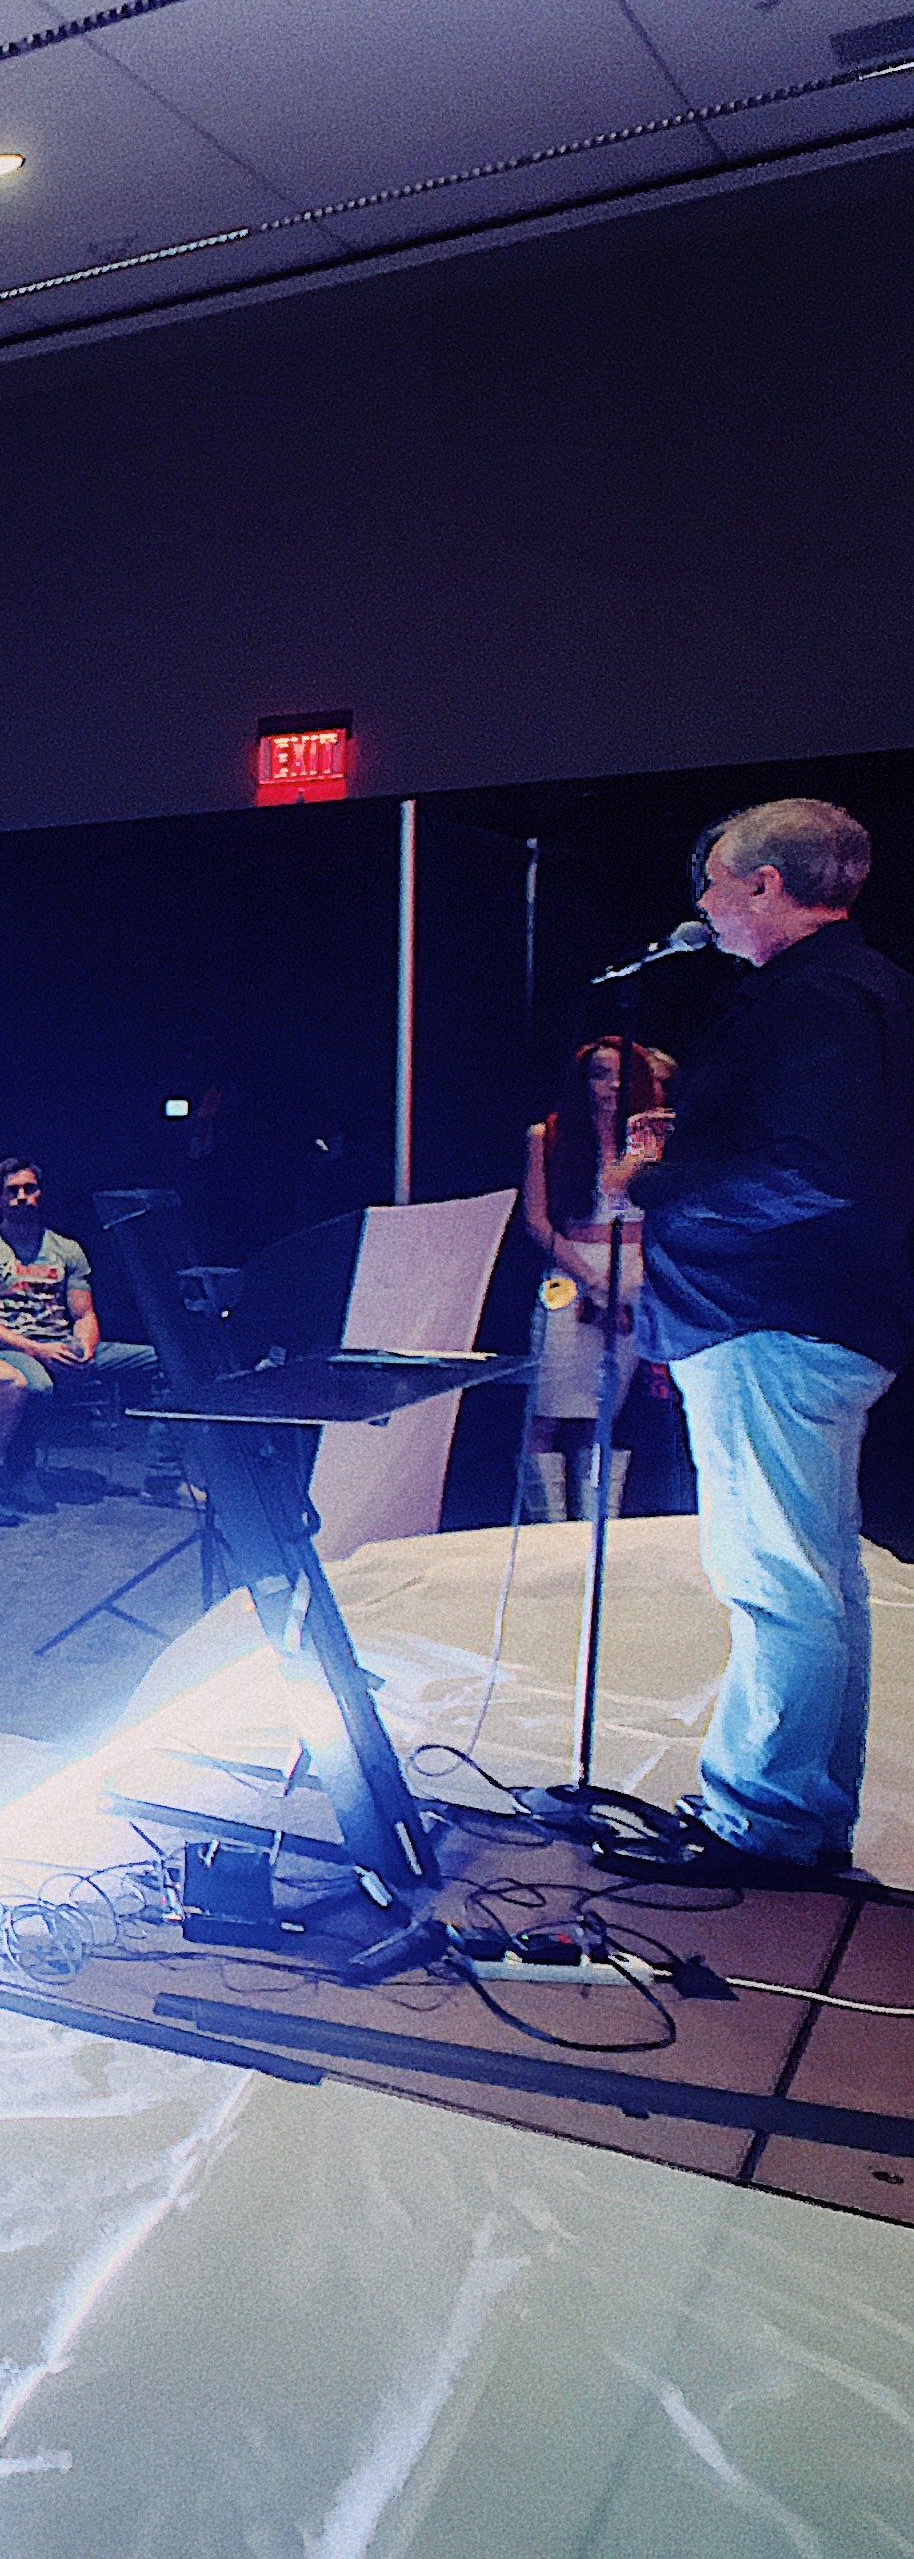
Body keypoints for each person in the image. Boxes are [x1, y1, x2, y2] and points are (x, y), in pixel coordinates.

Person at [615, 798, 914, 1871]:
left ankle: (762, 1821)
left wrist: (657, 1182)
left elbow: (821, 1172)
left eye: (713, 882)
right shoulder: (858, 989)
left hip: (767, 1319)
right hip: (810, 1317)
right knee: (817, 1580)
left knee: (777, 1583)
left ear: (764, 886)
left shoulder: (815, 997)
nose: (700, 903)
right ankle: (801, 1812)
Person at [520, 1035, 672, 1523]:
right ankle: (549, 1527)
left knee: (605, 1412)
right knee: (548, 1407)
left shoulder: (652, 1138)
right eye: (599, 1074)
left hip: (635, 1270)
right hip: (571, 1273)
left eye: (621, 1074)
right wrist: (590, 1278)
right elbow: (537, 1223)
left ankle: (595, 1527)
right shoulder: (550, 1135)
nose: (610, 1085)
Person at [0, 1158, 156, 1517]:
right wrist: (39, 1350)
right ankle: (20, 1470)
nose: (22, 1197)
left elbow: (84, 1313)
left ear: (40, 1193)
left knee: (162, 1360)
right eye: (12, 1192)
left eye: (29, 1189)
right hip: (11, 1347)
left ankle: (163, 1477)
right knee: (36, 1385)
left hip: (62, 1342)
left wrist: (85, 1348)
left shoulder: (66, 1248)